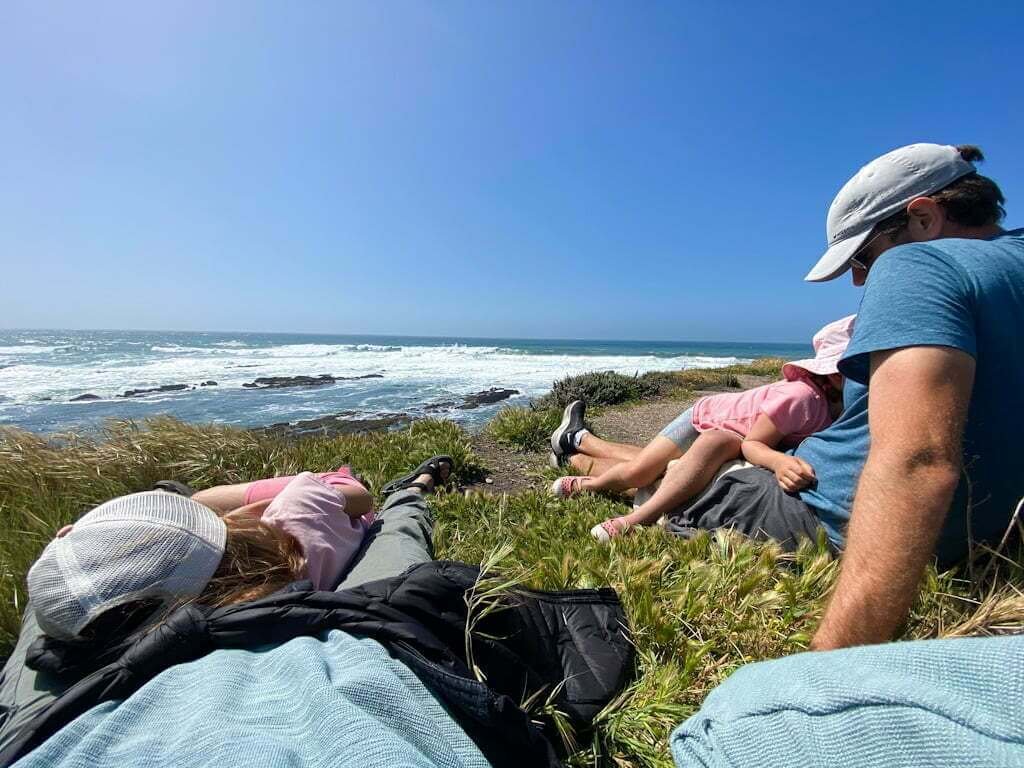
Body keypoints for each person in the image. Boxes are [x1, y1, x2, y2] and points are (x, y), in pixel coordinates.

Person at [1, 458, 633, 767]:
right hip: (301, 612)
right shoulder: (317, 676)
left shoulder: (54, 666)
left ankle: (407, 498)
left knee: (43, 632)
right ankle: (410, 492)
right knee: (399, 541)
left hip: (61, 718)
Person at [653, 143, 1024, 651]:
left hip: (823, 514)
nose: (858, 277)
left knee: (698, 475)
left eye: (864, 255)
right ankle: (590, 450)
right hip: (987, 531)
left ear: (922, 217)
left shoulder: (921, 266)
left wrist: (832, 664)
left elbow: (919, 461)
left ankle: (587, 459)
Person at [548, 316, 852, 543]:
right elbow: (753, 444)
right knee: (640, 472)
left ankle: (575, 440)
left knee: (665, 471)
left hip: (731, 435)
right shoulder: (802, 398)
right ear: (836, 373)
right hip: (704, 420)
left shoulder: (835, 403)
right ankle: (587, 486)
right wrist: (780, 462)